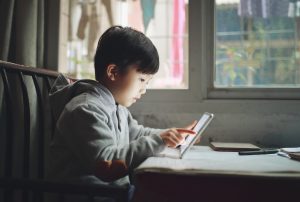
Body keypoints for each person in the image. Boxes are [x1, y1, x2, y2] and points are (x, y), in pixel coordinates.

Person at [48, 26, 196, 201]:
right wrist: (159, 141)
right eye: (142, 79)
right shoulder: (85, 110)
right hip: (90, 196)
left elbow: (138, 134)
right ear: (113, 72)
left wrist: (171, 136)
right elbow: (108, 164)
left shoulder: (117, 108)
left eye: (147, 82)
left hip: (114, 195)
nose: (144, 89)